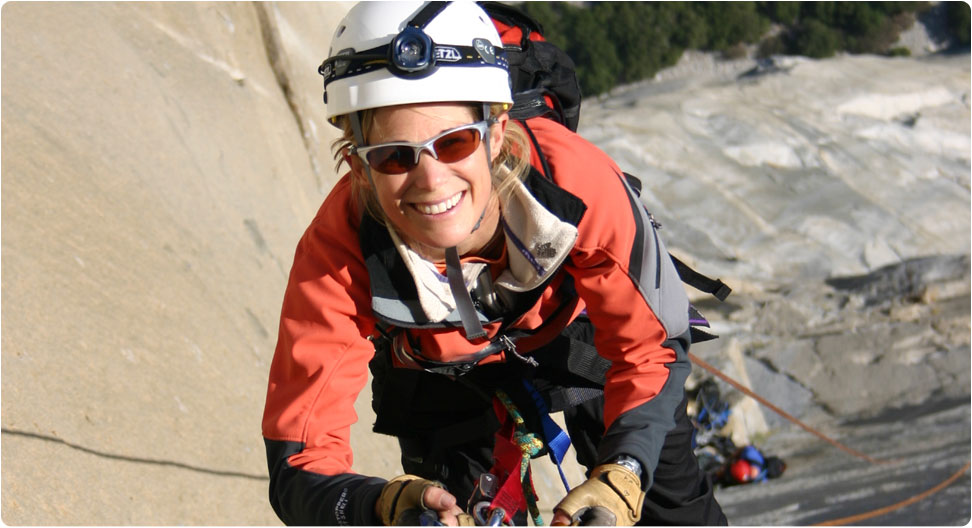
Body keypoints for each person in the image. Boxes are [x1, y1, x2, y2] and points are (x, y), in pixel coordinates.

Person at [262, 2, 727, 525]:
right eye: (395, 156)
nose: (432, 180)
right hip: (438, 370)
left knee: (670, 501)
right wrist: (381, 508)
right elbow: (300, 456)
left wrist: (624, 469)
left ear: (497, 133)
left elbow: (650, 348)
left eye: (455, 142)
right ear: (358, 166)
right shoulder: (339, 249)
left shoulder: (574, 183)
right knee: (447, 517)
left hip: (575, 334)